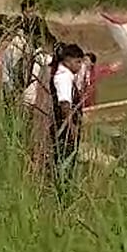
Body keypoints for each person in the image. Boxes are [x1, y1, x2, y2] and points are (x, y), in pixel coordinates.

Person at [49, 43, 87, 174]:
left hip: (65, 125)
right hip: (64, 126)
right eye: (77, 62)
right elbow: (65, 105)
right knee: (65, 159)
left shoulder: (67, 76)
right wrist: (71, 127)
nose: (80, 66)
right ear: (68, 60)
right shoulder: (63, 77)